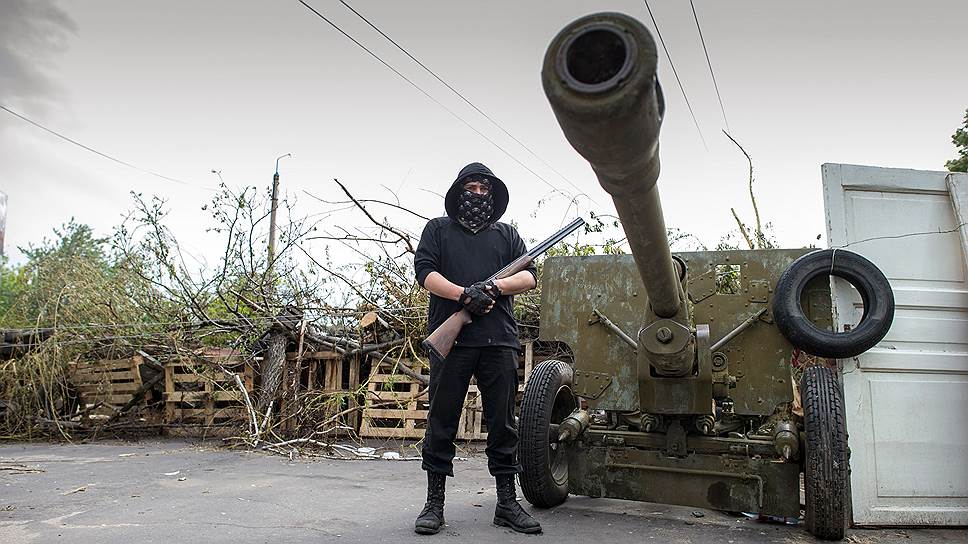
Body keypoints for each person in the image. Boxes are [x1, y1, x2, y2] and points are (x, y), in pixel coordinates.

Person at [412, 162, 541, 535]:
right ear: (458, 191)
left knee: (503, 422)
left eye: (485, 189)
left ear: (493, 194)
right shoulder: (438, 229)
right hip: (452, 341)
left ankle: (506, 503)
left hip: (499, 340)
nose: (478, 194)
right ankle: (434, 504)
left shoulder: (507, 235)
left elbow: (530, 276)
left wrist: (495, 289)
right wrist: (463, 295)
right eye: (472, 187)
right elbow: (425, 273)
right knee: (441, 420)